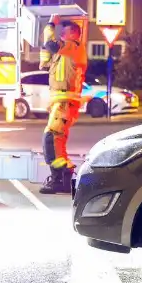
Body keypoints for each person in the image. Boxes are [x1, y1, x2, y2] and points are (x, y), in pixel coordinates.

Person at [40, 18, 84, 195]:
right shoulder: (64, 53)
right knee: (56, 142)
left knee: (51, 139)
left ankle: (58, 178)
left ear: (73, 34)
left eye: (64, 32)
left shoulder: (73, 47)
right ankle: (63, 176)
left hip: (65, 103)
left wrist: (50, 25)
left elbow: (50, 44)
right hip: (60, 103)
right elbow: (45, 62)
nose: (62, 35)